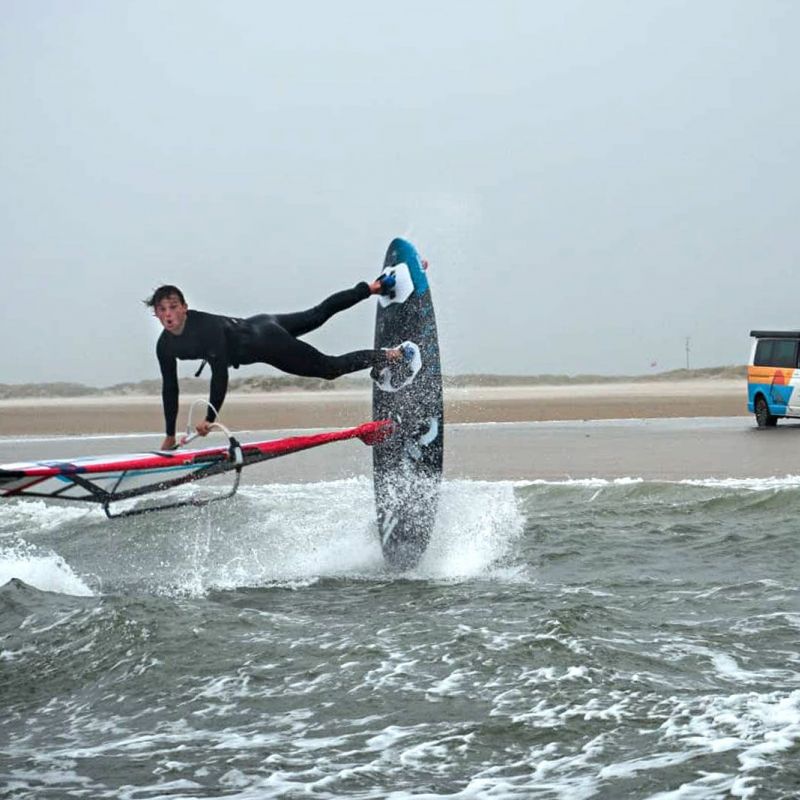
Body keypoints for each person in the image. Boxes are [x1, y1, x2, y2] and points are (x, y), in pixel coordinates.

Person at [145, 277, 404, 450]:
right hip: (261, 322)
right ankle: (374, 287)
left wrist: (209, 418)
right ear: (155, 313)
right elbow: (170, 389)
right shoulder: (165, 346)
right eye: (162, 309)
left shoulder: (205, 328)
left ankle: (390, 355)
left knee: (329, 368)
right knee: (317, 314)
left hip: (267, 343)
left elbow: (220, 374)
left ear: (185, 308)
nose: (168, 314)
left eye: (173, 307)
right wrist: (169, 435)